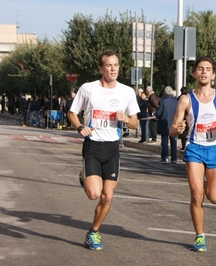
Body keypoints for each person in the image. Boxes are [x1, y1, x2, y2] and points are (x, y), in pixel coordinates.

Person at [67, 50, 139, 251]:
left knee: (107, 196)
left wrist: (126, 119)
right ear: (101, 68)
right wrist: (80, 126)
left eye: (116, 65)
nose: (113, 68)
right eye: (108, 65)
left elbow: (134, 122)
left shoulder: (127, 92)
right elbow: (72, 113)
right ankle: (85, 176)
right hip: (92, 145)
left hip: (112, 148)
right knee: (93, 194)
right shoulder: (88, 89)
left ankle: (93, 232)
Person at [169, 56, 216, 252]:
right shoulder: (185, 99)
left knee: (215, 197)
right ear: (194, 73)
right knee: (197, 195)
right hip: (194, 149)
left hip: (215, 149)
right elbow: (172, 131)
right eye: (200, 68)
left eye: (208, 69)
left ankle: (206, 180)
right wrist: (178, 128)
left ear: (213, 74)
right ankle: (200, 236)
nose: (204, 72)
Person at [156, 86, 178, 163]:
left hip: (164, 123)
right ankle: (174, 158)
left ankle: (165, 157)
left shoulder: (162, 101)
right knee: (173, 142)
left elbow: (159, 113)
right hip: (173, 123)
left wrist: (157, 115)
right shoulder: (176, 101)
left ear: (165, 92)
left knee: (165, 142)